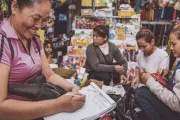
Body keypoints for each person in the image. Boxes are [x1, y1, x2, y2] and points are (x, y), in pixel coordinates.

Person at [0, 0, 85, 120]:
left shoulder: (34, 39)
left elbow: (49, 75)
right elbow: (1, 108)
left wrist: (70, 87)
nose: (40, 26)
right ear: (14, 7)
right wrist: (58, 105)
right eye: (35, 18)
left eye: (45, 20)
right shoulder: (3, 42)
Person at [135, 24, 180, 120]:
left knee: (140, 94)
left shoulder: (162, 55)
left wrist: (150, 81)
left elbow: (177, 104)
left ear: (152, 42)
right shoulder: (140, 55)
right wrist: (168, 75)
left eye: (174, 44)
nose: (171, 48)